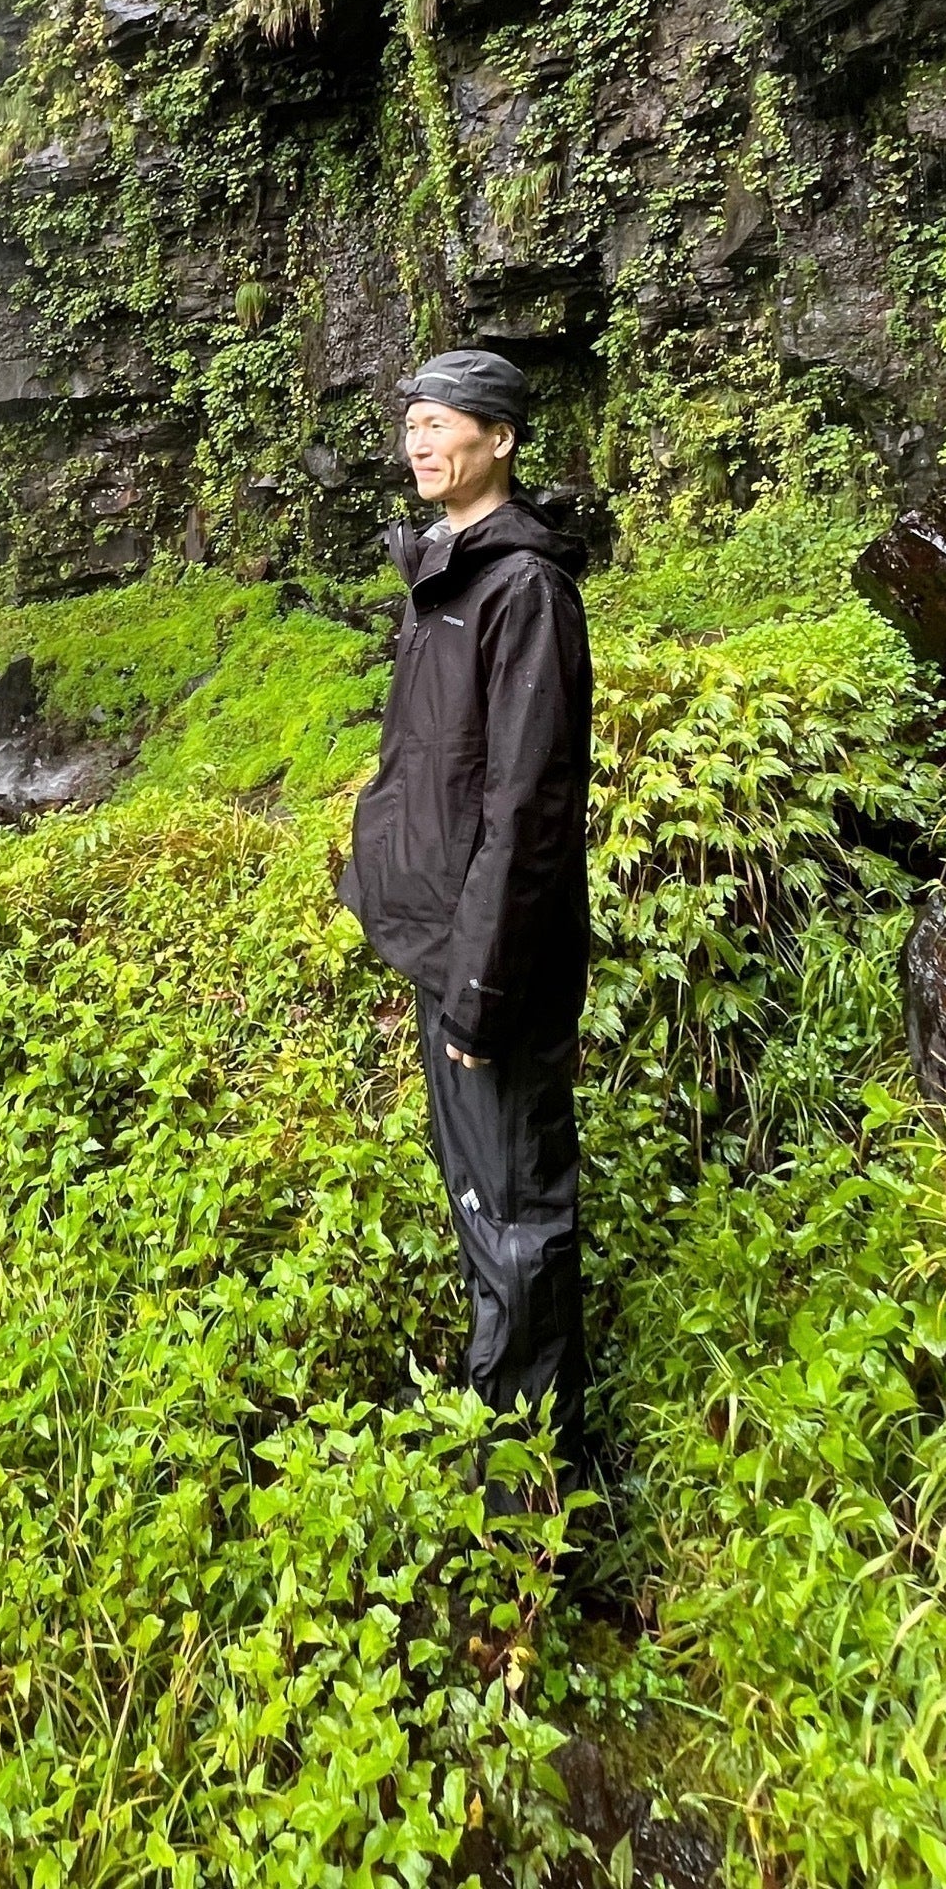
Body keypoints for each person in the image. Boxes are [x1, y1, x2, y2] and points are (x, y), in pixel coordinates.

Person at [340, 346, 593, 1494]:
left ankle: (530, 1485)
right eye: (413, 424)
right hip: (446, 945)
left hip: (492, 962)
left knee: (516, 1210)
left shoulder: (521, 590)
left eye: (441, 422)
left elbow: (528, 808)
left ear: (500, 440)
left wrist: (483, 991)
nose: (420, 441)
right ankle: (502, 1416)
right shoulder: (447, 571)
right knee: (480, 1195)